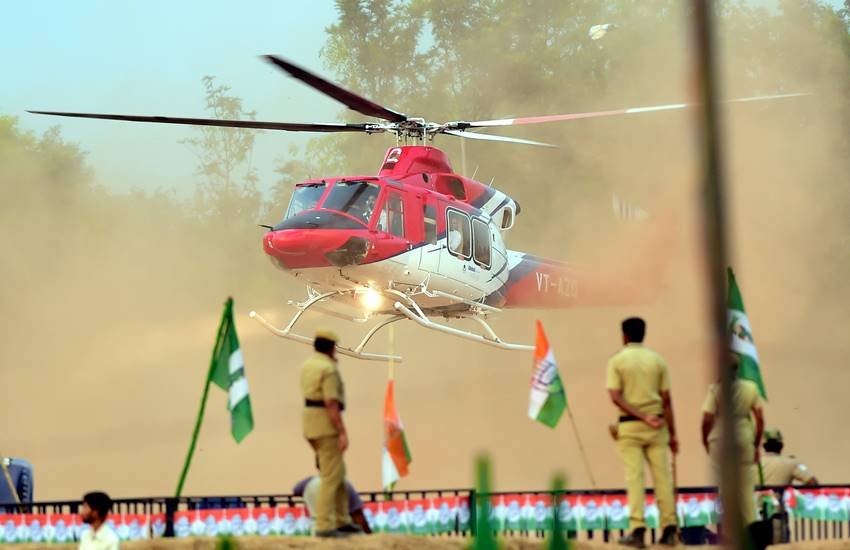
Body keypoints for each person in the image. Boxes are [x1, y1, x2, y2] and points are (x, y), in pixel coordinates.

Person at [606, 317, 678, 548]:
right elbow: (667, 400)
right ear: (643, 334)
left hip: (629, 427)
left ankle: (638, 530)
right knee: (663, 479)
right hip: (657, 426)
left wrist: (640, 415)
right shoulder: (657, 361)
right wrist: (673, 434)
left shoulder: (617, 361)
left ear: (624, 335)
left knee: (634, 479)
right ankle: (669, 529)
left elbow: (615, 396)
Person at [300, 329, 359, 538]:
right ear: (331, 348)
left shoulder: (308, 365)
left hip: (310, 424)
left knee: (337, 472)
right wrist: (342, 431)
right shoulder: (328, 369)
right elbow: (331, 403)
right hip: (326, 425)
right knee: (330, 477)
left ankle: (342, 519)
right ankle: (325, 525)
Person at [700, 356, 765, 528]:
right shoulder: (751, 388)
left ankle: (729, 530)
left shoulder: (715, 389)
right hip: (744, 437)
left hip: (719, 439)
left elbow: (707, 418)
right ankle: (752, 528)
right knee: (746, 489)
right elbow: (760, 419)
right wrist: (756, 444)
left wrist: (705, 440)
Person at [292, 475, 371, 533]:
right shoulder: (343, 484)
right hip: (340, 532)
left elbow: (295, 490)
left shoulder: (308, 483)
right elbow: (358, 516)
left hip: (317, 531)